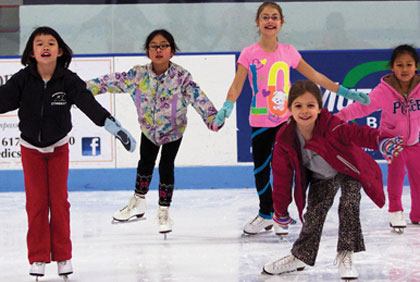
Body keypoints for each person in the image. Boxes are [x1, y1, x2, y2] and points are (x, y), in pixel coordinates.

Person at [214, 1, 371, 236]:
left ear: (281, 22)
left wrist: (344, 91)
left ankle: (283, 214)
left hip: (287, 121)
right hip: (259, 122)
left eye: (274, 17)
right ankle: (266, 214)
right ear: (257, 22)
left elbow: (315, 75)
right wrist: (228, 104)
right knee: (261, 170)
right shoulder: (249, 53)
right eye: (265, 17)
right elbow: (237, 86)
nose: (270, 21)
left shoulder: (288, 52)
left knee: (291, 168)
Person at [0, 26, 136, 280]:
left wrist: (115, 128)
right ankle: (39, 257)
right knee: (37, 203)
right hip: (31, 149)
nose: (45, 47)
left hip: (58, 148)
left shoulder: (69, 80)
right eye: (39, 43)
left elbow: (89, 104)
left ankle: (63, 256)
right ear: (31, 52)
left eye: (51, 43)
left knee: (59, 203)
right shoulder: (22, 80)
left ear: (60, 50)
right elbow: (2, 101)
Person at [262, 80, 402, 279]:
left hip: (348, 169)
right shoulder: (285, 138)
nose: (304, 111)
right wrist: (281, 209)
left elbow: (358, 133)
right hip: (321, 176)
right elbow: (282, 176)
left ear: (319, 108)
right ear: (290, 109)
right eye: (298, 106)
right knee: (314, 215)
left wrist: (380, 141)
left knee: (349, 204)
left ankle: (345, 253)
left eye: (310, 105)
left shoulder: (331, 125)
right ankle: (300, 256)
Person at [87, 29, 219, 234]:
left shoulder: (181, 77)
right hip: (149, 129)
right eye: (153, 46)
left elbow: (197, 97)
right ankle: (138, 201)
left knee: (166, 165)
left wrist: (212, 118)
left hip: (173, 131)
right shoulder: (138, 75)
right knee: (145, 163)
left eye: (164, 45)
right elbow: (113, 81)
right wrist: (85, 88)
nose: (159, 50)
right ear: (147, 51)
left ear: (172, 51)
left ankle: (163, 211)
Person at [335, 44, 420, 230]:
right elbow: (362, 107)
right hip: (390, 141)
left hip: (413, 142)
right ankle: (396, 211)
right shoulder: (384, 90)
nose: (404, 69)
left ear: (416, 66)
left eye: (409, 64)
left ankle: (418, 213)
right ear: (392, 67)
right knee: (397, 173)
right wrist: (337, 119)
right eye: (399, 65)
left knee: (418, 176)